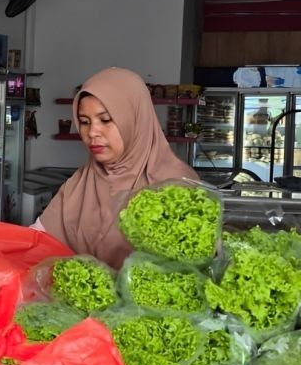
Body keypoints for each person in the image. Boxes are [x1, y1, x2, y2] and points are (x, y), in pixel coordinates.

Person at [34, 67, 200, 269]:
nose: (93, 132)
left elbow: (192, 271)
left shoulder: (178, 186)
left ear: (135, 119)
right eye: (84, 122)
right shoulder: (79, 184)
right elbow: (36, 240)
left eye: (105, 120)